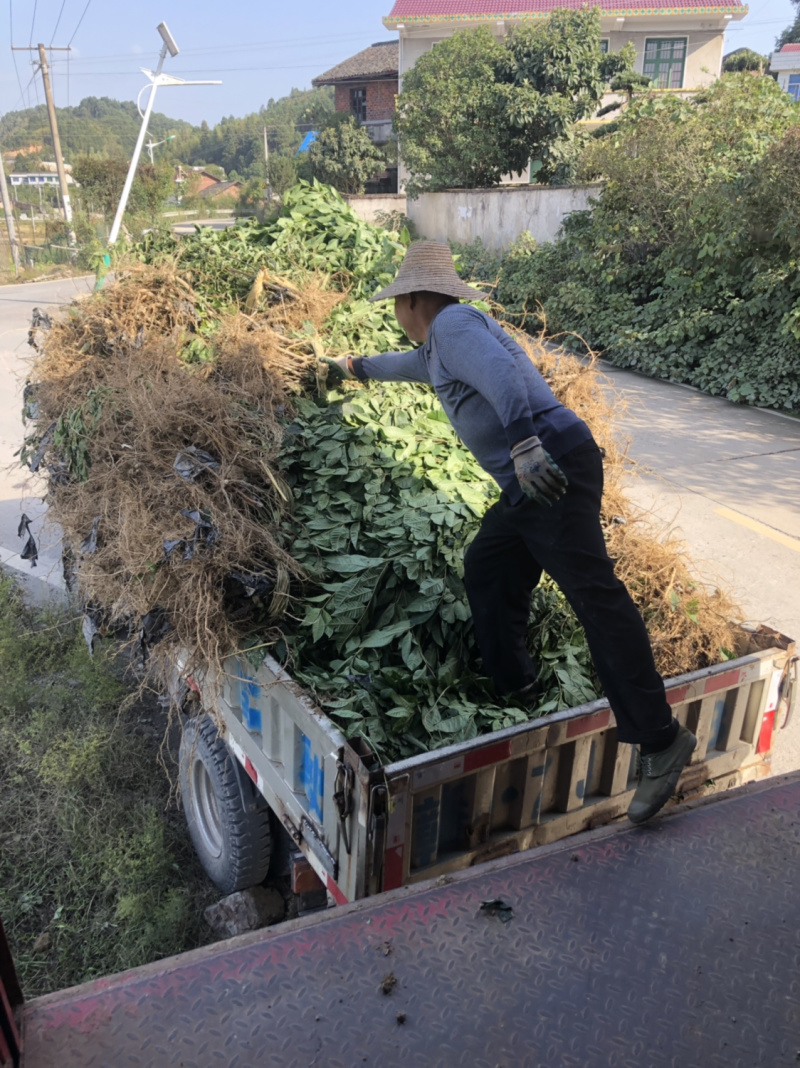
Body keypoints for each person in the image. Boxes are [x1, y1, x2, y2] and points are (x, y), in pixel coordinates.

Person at [324, 240, 696, 825]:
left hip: (548, 469)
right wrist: (348, 367)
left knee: (594, 599)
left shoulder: (454, 324)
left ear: (415, 299)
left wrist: (523, 444)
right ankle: (517, 683)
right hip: (530, 487)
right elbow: (395, 366)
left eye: (397, 303)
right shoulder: (435, 351)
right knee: (489, 567)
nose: (396, 314)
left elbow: (503, 376)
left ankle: (660, 739)